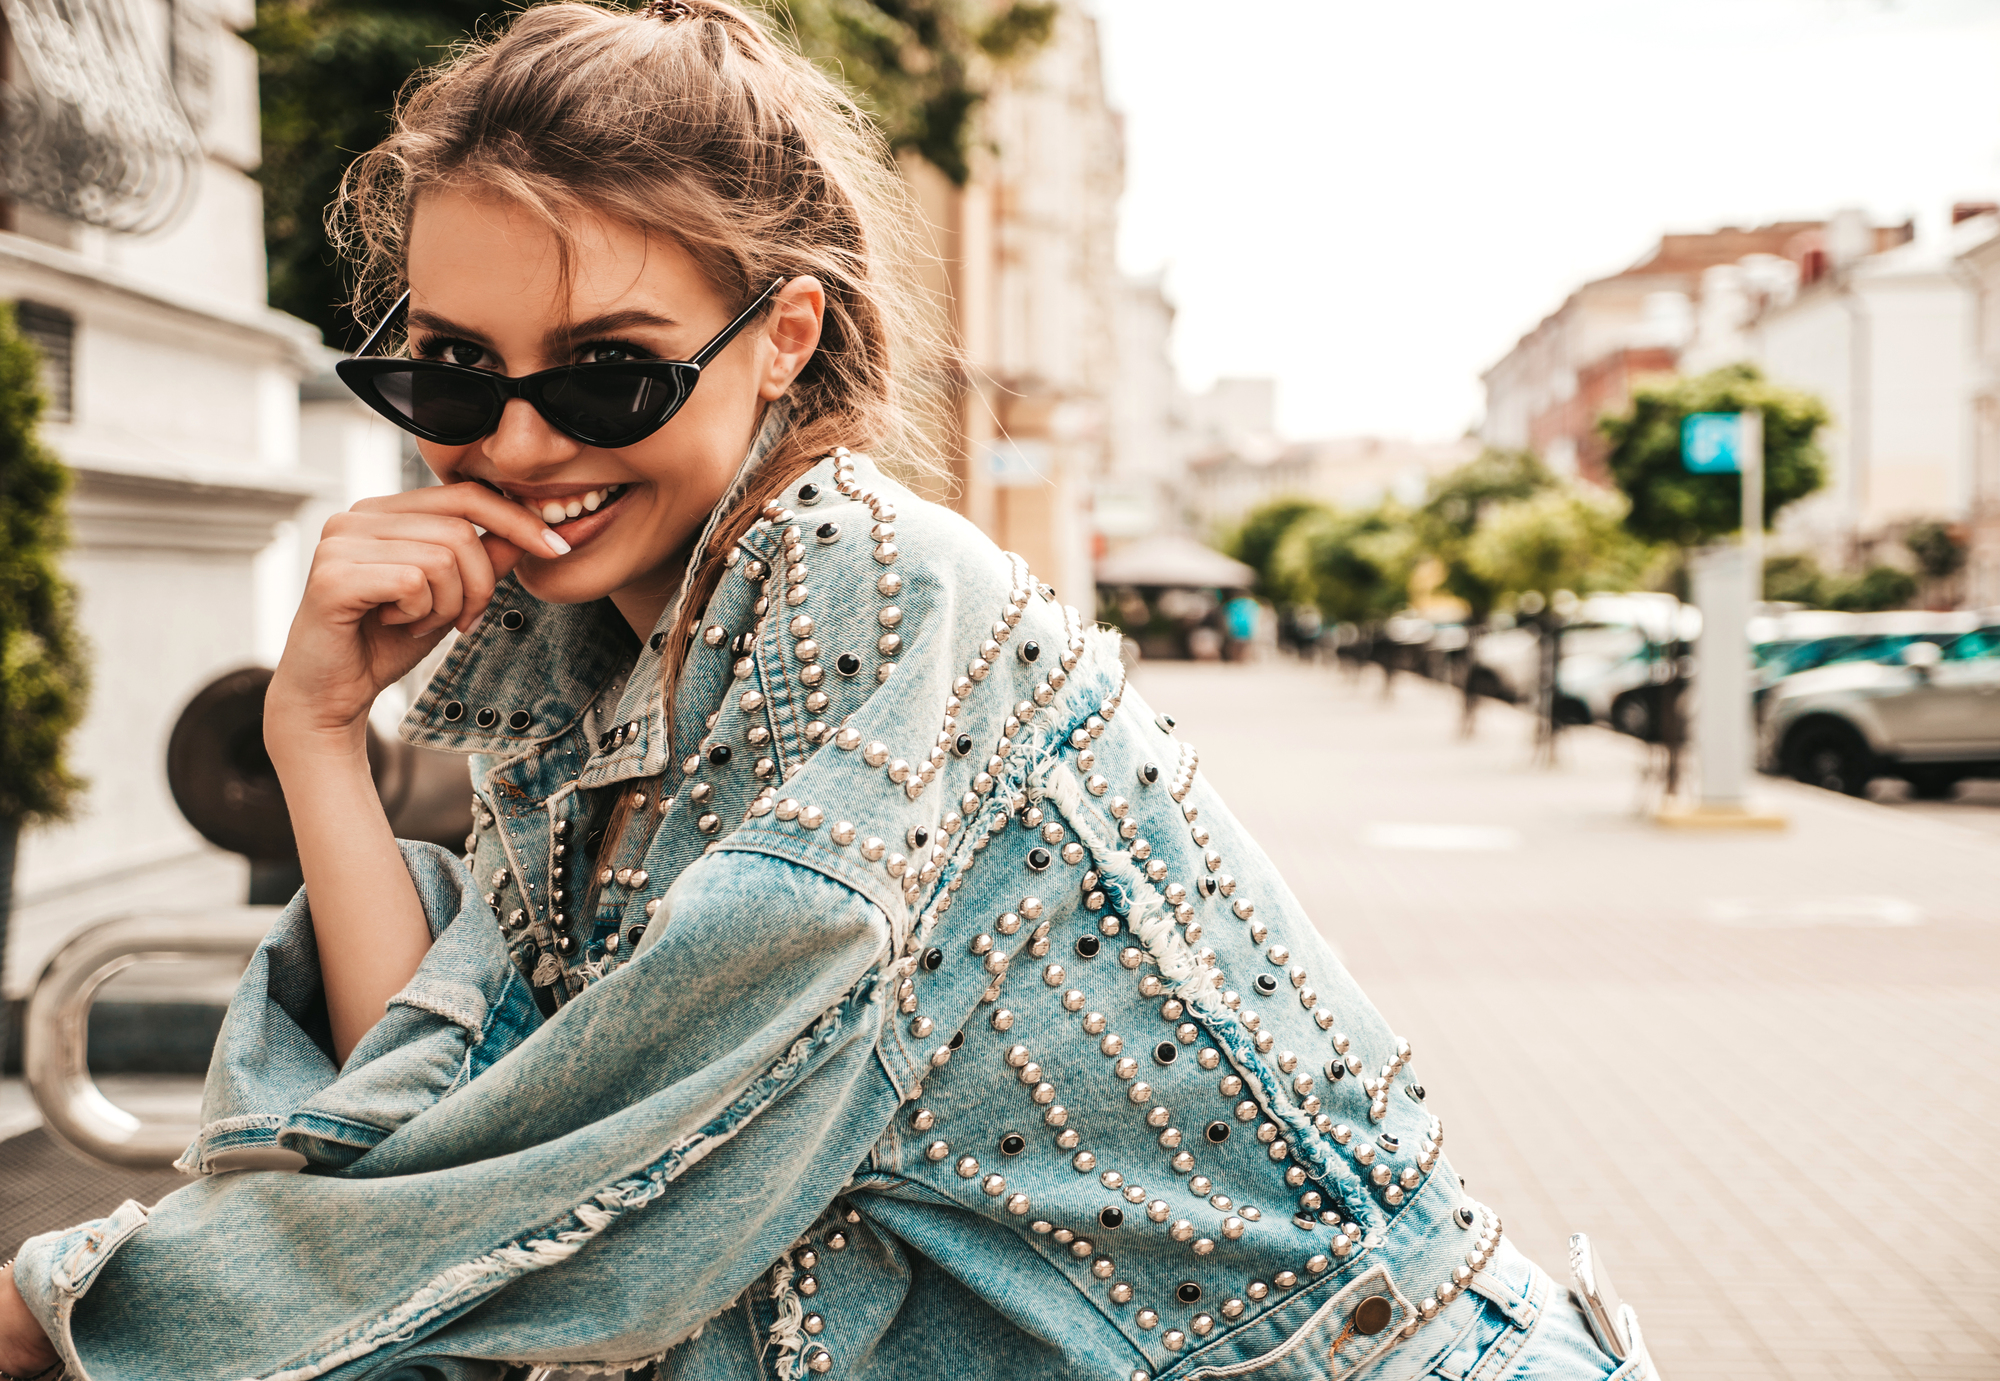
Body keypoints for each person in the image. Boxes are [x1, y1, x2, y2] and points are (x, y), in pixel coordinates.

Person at [0, 4, 1660, 1379]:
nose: (511, 442)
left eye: (607, 369)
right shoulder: (592, 646)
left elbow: (582, 1202)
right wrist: (317, 740)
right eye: (449, 367)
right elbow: (446, 1111)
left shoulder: (867, 600)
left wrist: (57, 1308)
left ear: (782, 332)